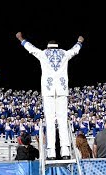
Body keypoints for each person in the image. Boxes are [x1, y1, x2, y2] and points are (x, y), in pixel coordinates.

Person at [16, 32, 84, 160]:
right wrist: (79, 41)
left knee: (50, 122)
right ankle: (65, 152)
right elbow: (75, 50)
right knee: (63, 121)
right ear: (57, 47)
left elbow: (31, 48)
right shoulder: (64, 53)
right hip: (62, 90)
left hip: (48, 90)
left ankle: (51, 153)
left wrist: (21, 39)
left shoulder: (43, 53)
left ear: (48, 47)